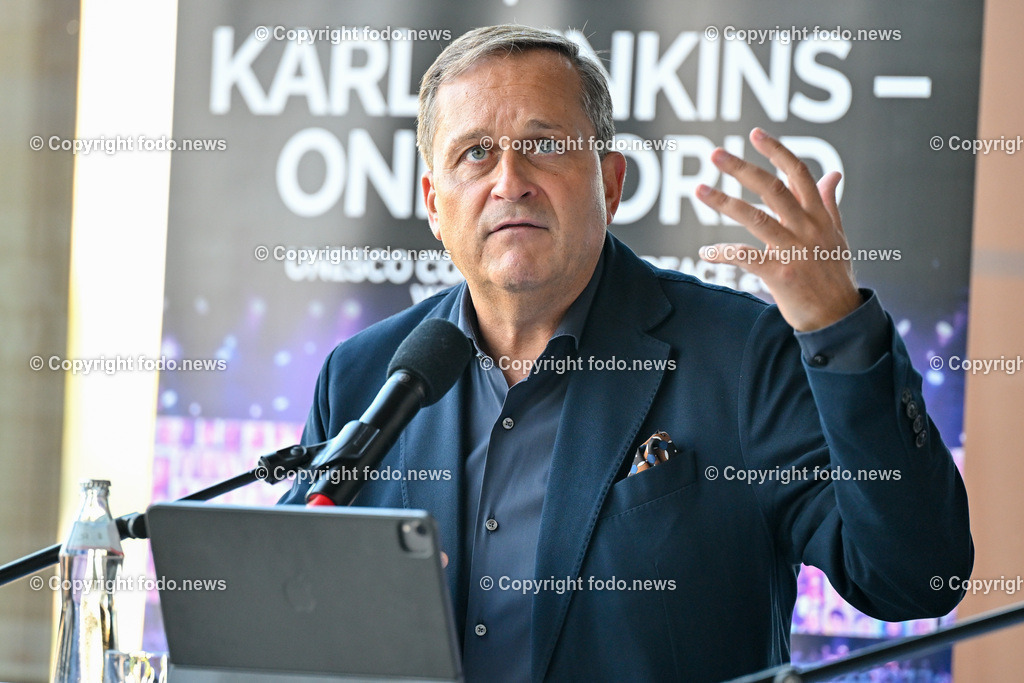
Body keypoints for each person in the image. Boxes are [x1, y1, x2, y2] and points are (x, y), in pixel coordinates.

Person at [279, 24, 972, 682]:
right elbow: (288, 605)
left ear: (610, 183)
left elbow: (913, 574)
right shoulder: (363, 375)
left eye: (543, 144)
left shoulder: (740, 356)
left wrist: (838, 329)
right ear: (433, 202)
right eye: (475, 152)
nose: (509, 179)